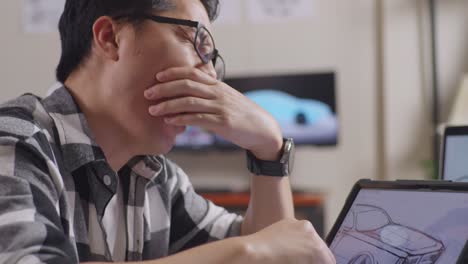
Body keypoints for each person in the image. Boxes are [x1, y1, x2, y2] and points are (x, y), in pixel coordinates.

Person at [0, 0, 335, 263]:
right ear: (110, 38)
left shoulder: (157, 178)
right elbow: (257, 250)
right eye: (197, 43)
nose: (211, 77)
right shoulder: (16, 142)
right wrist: (249, 252)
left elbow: (273, 250)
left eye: (213, 58)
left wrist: (268, 148)